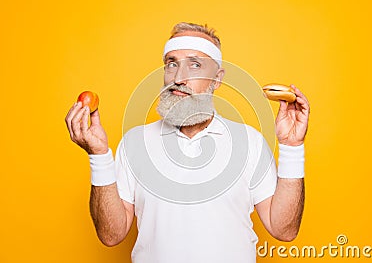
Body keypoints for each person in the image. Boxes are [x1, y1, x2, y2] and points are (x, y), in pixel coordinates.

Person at [65, 22, 310, 263]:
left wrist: (292, 148)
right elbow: (111, 235)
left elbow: (284, 230)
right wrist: (98, 156)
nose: (179, 78)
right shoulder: (134, 143)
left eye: (194, 65)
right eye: (172, 64)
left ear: (217, 79)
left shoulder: (250, 142)